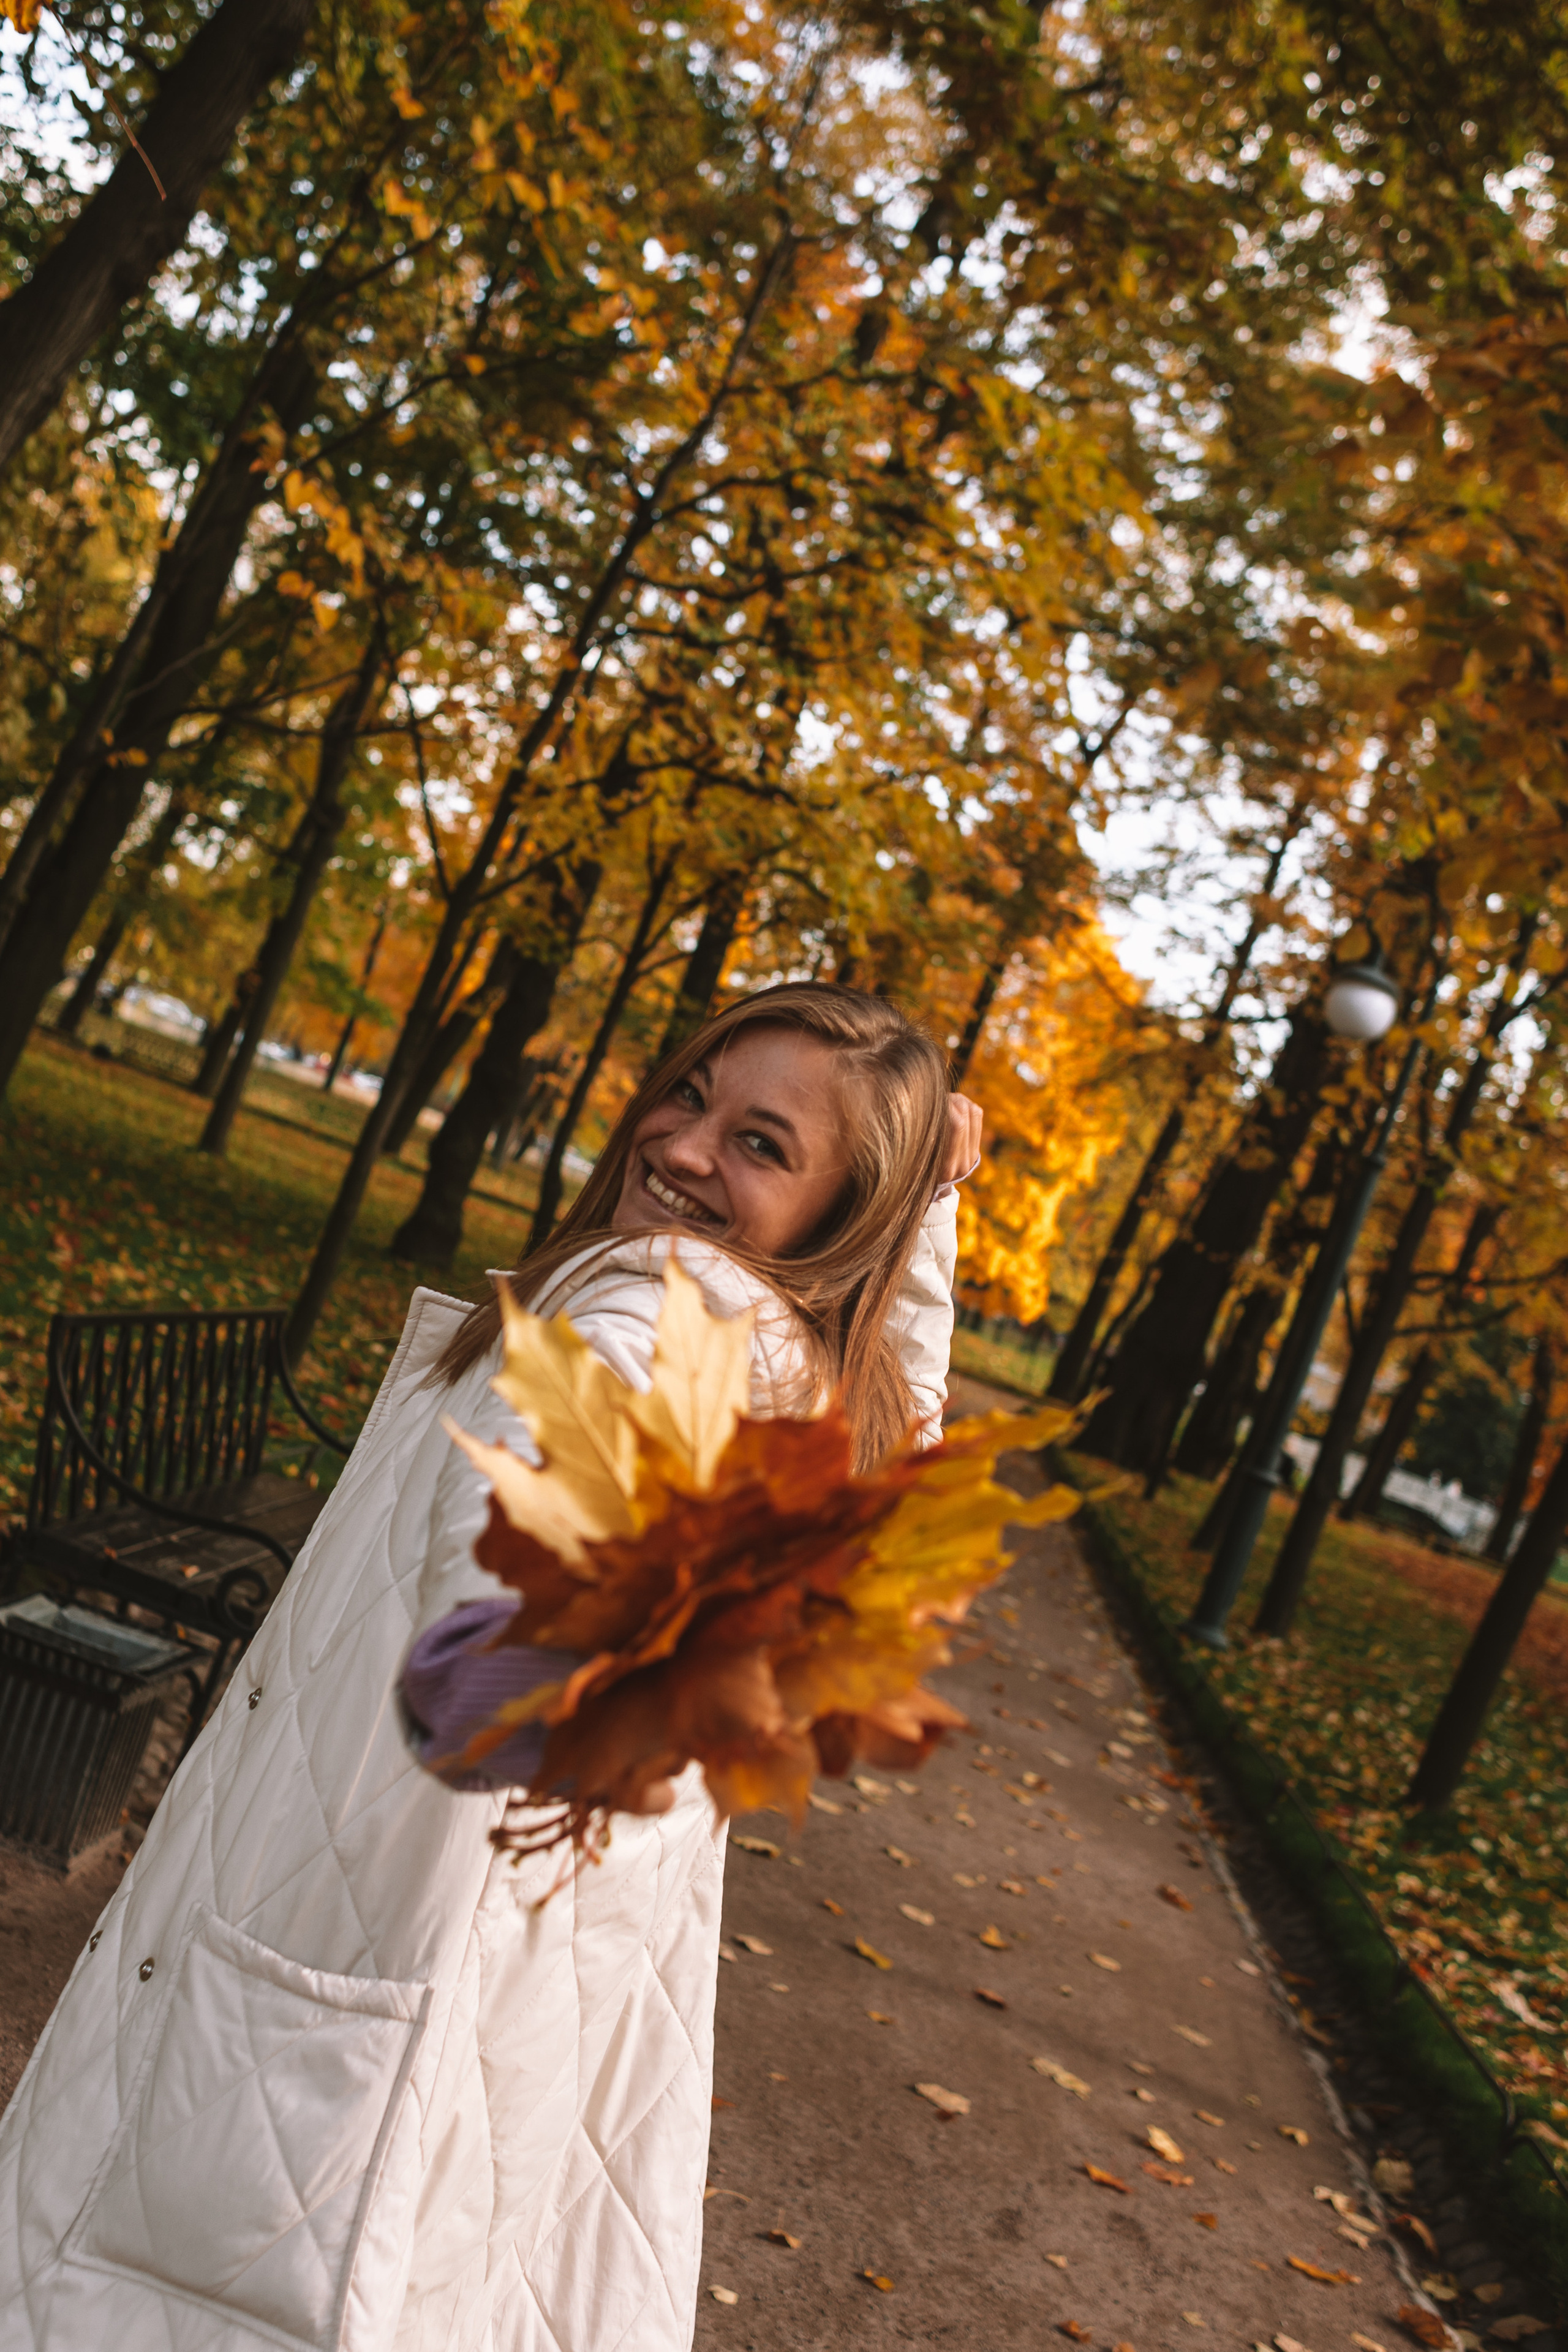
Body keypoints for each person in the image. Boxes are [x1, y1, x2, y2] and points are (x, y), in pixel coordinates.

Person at [0, 981, 981, 2352]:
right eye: (692, 1093)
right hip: (501, 2000)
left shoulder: (657, 1306)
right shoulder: (797, 1381)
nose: (685, 1147)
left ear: (835, 1219)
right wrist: (927, 1215)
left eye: (762, 1146)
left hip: (341, 1978)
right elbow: (902, 1425)